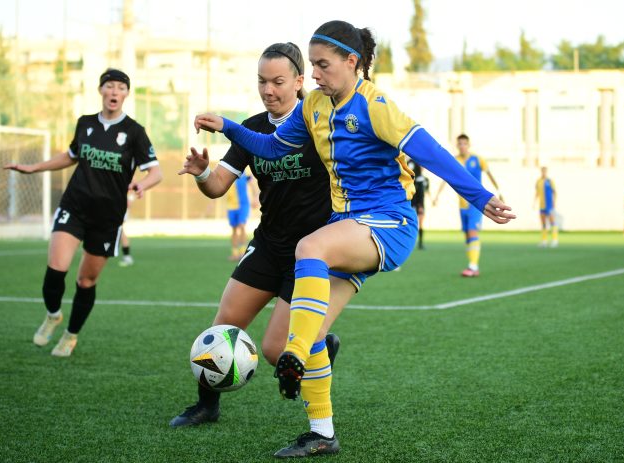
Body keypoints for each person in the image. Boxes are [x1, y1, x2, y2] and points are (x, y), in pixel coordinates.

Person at [194, 20, 515, 458]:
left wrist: (480, 197)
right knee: (308, 330)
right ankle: (322, 433)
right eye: (313, 65)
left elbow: (432, 153)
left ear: (352, 62)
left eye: (323, 65)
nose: (316, 74)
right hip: (346, 225)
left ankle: (294, 353)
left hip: (387, 223)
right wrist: (228, 127)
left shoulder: (375, 105)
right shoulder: (314, 106)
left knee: (310, 248)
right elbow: (271, 148)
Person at [171, 42, 352, 441]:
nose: (268, 90)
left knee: (274, 351)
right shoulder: (251, 127)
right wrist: (202, 173)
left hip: (310, 253)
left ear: (299, 81)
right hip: (268, 245)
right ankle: (206, 404)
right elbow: (218, 185)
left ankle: (319, 351)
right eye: (262, 81)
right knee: (221, 327)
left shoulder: (319, 123)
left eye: (278, 81)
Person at [4, 68, 162, 357]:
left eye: (121, 88)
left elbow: (156, 172)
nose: (114, 92)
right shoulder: (85, 123)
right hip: (74, 207)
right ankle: (53, 315)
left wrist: (142, 184)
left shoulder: (135, 132)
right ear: (100, 90)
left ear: (126, 94)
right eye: (109, 86)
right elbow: (71, 156)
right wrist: (34, 167)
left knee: (85, 281)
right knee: (55, 270)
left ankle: (71, 335)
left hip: (108, 217)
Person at [433, 134, 504, 276]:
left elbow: (490, 175)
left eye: (464, 143)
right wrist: (437, 196)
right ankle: (472, 265)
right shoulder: (454, 160)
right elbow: (446, 178)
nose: (462, 146)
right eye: (460, 143)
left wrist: (499, 191)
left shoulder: (477, 159)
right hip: (462, 204)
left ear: (469, 145)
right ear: (457, 145)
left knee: (472, 231)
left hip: (477, 203)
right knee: (467, 235)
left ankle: (473, 266)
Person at [225, 170, 257, 261]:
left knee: (242, 226)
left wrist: (255, 198)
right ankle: (235, 253)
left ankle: (243, 252)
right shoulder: (228, 171)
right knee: (234, 229)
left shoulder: (244, 172)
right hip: (231, 206)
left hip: (243, 205)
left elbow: (252, 184)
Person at [406, 157, 430, 250]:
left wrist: (421, 205)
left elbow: (425, 193)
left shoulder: (424, 180)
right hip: (412, 203)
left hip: (420, 203)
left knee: (420, 221)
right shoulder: (411, 181)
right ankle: (409, 242)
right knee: (410, 222)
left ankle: (420, 243)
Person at [533, 166, 558, 247]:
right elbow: (537, 192)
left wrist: (554, 202)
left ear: (546, 172)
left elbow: (554, 192)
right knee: (543, 223)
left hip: (549, 205)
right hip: (541, 205)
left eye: (545, 171)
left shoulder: (550, 181)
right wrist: (534, 202)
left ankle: (554, 240)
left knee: (552, 222)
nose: (543, 173)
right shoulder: (538, 181)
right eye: (542, 171)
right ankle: (544, 241)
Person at [119, 193, 136, 267]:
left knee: (120, 230)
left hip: (121, 209)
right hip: (120, 207)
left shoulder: (129, 191)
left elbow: (129, 201)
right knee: (119, 231)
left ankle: (127, 257)